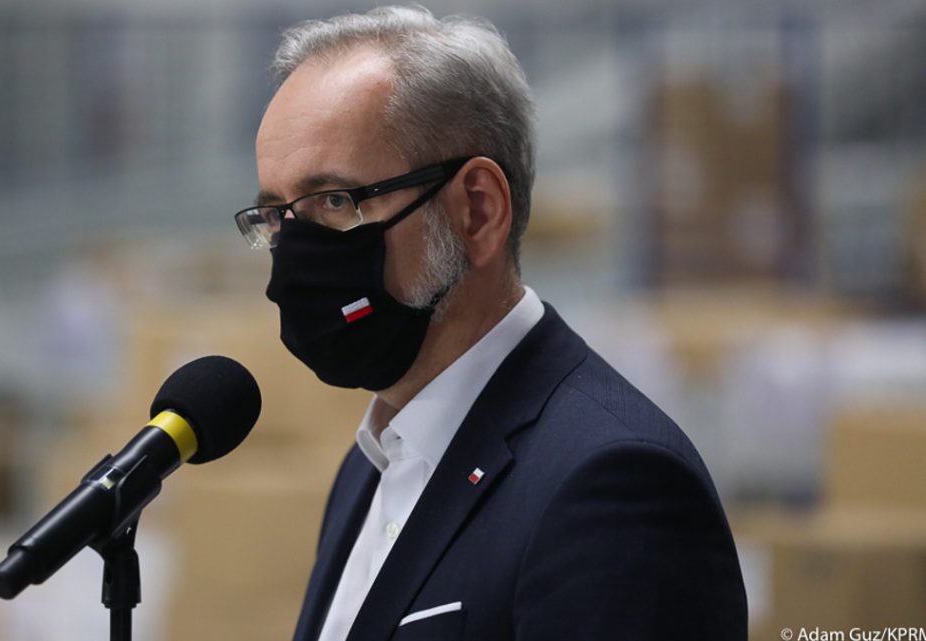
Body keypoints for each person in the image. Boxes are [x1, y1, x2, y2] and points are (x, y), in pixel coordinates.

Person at [231, 6, 747, 640]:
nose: (295, 253)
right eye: (275, 217)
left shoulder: (611, 484)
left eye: (335, 201)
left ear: (477, 211)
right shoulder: (372, 466)